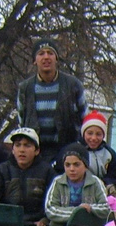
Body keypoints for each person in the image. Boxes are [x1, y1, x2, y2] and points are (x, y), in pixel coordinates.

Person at [15, 38, 88, 176]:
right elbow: (22, 122)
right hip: (36, 153)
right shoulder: (25, 88)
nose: (46, 57)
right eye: (41, 53)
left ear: (56, 58)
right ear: (34, 60)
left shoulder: (73, 85)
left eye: (50, 53)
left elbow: (85, 121)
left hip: (66, 151)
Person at [36, 144, 109, 226]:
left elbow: (107, 207)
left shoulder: (95, 183)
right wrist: (78, 213)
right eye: (67, 165)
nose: (71, 169)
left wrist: (91, 208)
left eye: (76, 165)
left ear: (85, 165)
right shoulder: (58, 182)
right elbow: (51, 209)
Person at [79, 110, 116, 186]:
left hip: (103, 189)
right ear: (83, 134)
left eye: (98, 134)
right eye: (90, 133)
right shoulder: (77, 151)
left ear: (103, 136)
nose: (93, 138)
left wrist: (104, 182)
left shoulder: (109, 154)